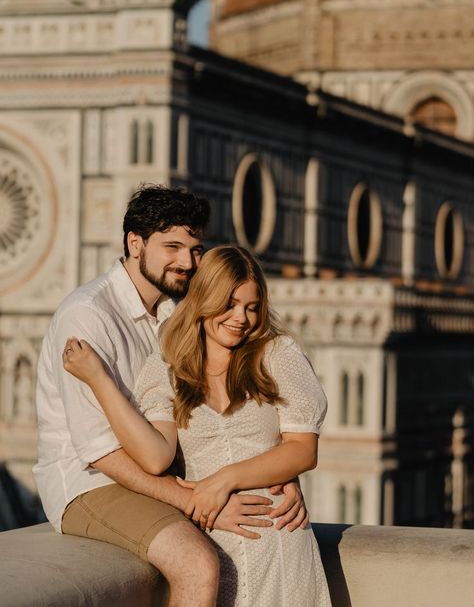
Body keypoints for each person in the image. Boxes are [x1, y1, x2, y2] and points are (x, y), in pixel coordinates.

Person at [34, 185, 308, 607]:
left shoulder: (172, 314)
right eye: (173, 247)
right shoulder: (88, 316)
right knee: (196, 563)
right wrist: (196, 499)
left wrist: (274, 474)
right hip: (91, 485)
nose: (187, 262)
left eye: (196, 249)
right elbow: (98, 451)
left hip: (151, 475)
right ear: (135, 243)